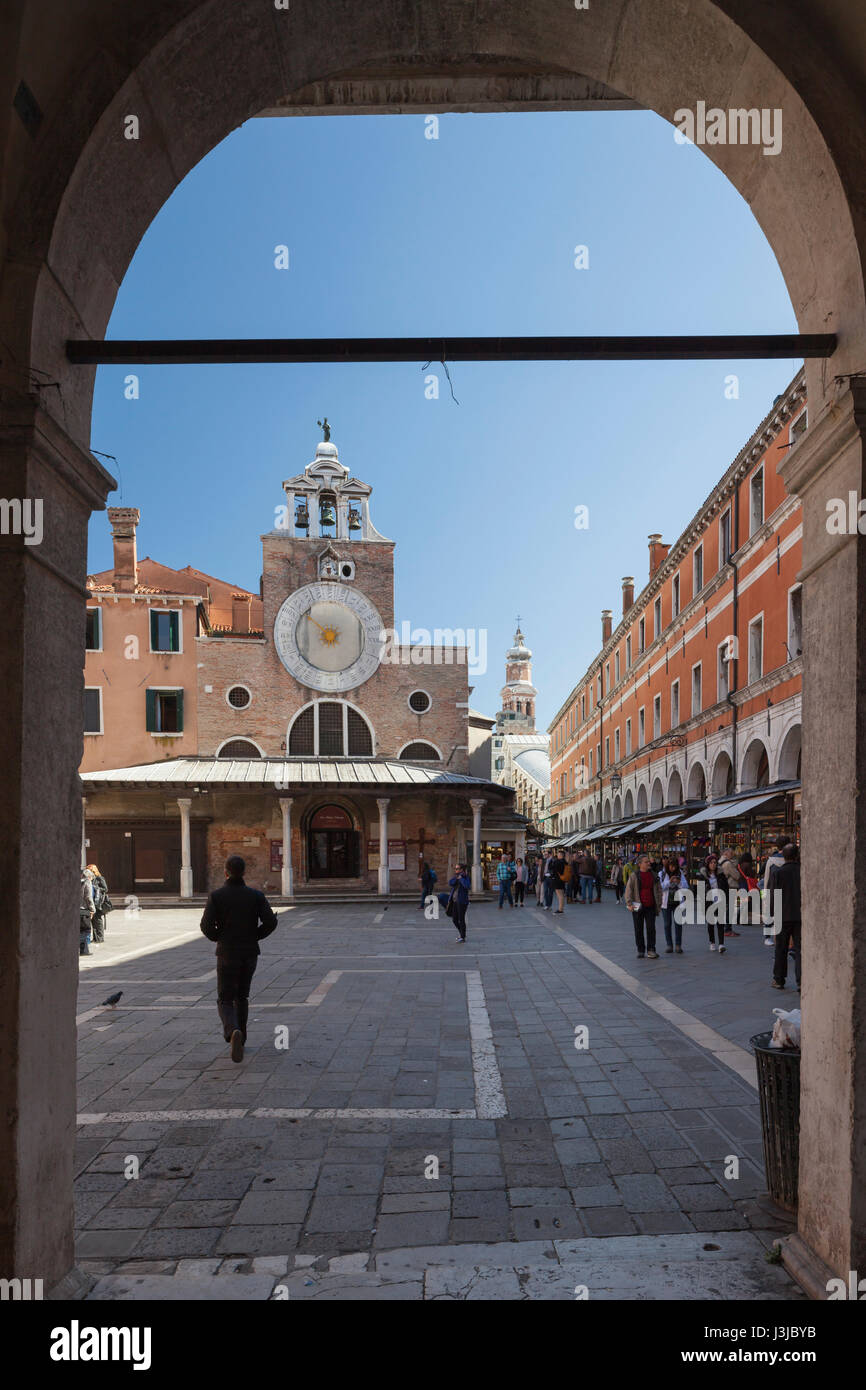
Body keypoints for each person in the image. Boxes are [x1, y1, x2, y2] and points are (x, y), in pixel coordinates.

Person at [200, 854, 278, 1063]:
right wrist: (256, 935)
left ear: (226, 872)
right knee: (241, 997)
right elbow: (270, 922)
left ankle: (232, 1030)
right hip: (249, 951)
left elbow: (206, 927)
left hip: (227, 952)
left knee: (225, 998)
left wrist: (220, 938)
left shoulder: (217, 896)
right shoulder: (256, 896)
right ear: (244, 872)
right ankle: (240, 1037)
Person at [768, 843, 801, 990]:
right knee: (800, 950)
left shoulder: (779, 873)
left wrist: (772, 915)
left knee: (781, 948)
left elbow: (774, 896)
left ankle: (779, 979)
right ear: (796, 855)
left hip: (783, 915)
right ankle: (801, 981)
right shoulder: (803, 871)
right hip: (800, 915)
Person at [624, 853, 661, 958]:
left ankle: (651, 949)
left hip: (651, 905)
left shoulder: (654, 875)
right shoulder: (634, 875)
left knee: (651, 928)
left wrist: (659, 902)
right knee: (638, 928)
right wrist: (629, 903)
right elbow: (628, 890)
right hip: (637, 904)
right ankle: (640, 950)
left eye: (648, 861)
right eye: (646, 862)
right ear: (640, 864)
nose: (649, 863)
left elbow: (659, 889)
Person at [697, 852, 727, 953]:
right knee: (711, 923)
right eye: (711, 863)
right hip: (708, 901)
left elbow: (726, 888)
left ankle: (721, 944)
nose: (713, 864)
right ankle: (712, 942)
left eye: (715, 862)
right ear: (707, 864)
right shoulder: (703, 876)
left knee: (720, 923)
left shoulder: (721, 874)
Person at [762, 838, 789, 946]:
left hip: (772, 891)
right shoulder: (790, 859)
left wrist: (764, 895)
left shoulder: (771, 860)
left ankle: (767, 937)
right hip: (786, 892)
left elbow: (766, 879)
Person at [660, 864, 684, 953]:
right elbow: (660, 887)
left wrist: (679, 882)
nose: (672, 867)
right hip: (666, 903)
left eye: (674, 865)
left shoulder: (680, 873)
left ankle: (678, 945)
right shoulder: (662, 874)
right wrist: (669, 881)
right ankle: (669, 945)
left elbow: (685, 886)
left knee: (678, 924)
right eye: (670, 865)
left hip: (677, 902)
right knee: (667, 924)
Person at [718, 850, 742, 937]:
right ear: (725, 854)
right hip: (731, 886)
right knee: (730, 909)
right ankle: (728, 929)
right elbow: (737, 875)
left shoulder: (719, 862)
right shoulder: (728, 864)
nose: (732, 855)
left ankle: (725, 928)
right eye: (731, 853)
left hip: (723, 887)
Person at [86, 862, 111, 943]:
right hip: (92, 902)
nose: (88, 872)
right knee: (93, 921)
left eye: (89, 870)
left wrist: (95, 888)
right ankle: (95, 938)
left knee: (98, 920)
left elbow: (105, 889)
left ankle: (100, 938)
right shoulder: (90, 879)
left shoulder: (99, 878)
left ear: (93, 871)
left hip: (98, 902)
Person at [448, 862, 471, 942]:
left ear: (461, 870)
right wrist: (456, 878)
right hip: (454, 900)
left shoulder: (465, 877)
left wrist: (461, 879)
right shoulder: (456, 876)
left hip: (462, 901)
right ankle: (461, 933)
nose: (455, 870)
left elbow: (467, 886)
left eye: (457, 869)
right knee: (454, 919)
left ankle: (462, 936)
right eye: (455, 868)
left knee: (461, 919)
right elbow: (450, 883)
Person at [79, 868, 95, 957]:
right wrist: (92, 909)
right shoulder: (87, 882)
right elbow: (88, 897)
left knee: (80, 930)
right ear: (89, 876)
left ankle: (84, 950)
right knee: (85, 930)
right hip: (84, 909)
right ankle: (83, 950)